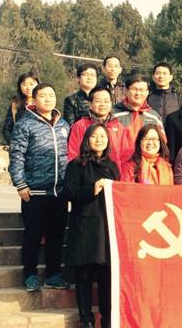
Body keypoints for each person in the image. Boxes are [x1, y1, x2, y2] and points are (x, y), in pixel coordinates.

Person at [8, 83, 70, 293]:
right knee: (33, 235)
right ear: (34, 100)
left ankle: (53, 275)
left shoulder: (63, 124)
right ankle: (30, 275)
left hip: (59, 192)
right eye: (43, 96)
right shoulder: (25, 124)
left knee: (56, 236)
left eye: (51, 95)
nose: (48, 99)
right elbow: (16, 155)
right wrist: (20, 183)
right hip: (34, 192)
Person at [64, 123, 120, 328]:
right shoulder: (76, 165)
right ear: (87, 139)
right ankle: (86, 320)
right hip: (84, 228)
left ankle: (107, 320)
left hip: (106, 228)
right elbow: (69, 192)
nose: (99, 140)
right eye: (95, 136)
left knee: (107, 278)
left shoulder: (112, 166)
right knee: (84, 276)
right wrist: (92, 190)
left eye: (103, 136)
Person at [68, 87, 130, 179]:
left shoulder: (119, 127)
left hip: (113, 178)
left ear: (111, 103)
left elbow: (125, 157)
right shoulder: (80, 126)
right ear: (90, 104)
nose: (102, 104)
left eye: (106, 101)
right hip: (87, 178)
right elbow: (73, 154)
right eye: (98, 101)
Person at [114, 75, 163, 150]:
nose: (138, 93)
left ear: (147, 92)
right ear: (126, 91)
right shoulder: (113, 114)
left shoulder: (154, 116)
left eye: (142, 90)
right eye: (134, 89)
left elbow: (162, 142)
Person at [2, 72, 39, 145]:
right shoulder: (15, 105)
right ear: (20, 86)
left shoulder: (44, 103)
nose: (28, 88)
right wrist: (14, 144)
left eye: (31, 84)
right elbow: (6, 129)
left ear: (38, 85)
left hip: (40, 147)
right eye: (24, 85)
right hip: (21, 147)